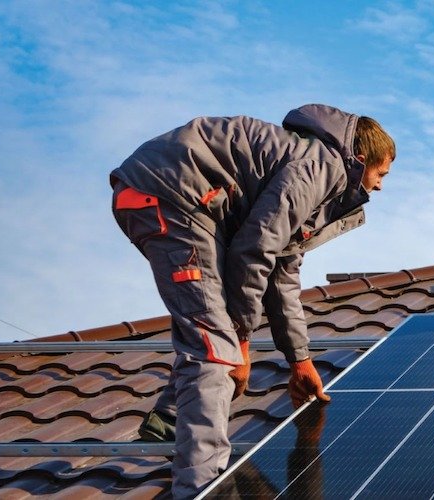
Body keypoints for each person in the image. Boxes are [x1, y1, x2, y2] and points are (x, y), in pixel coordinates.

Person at [109, 103, 395, 498]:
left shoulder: (311, 175)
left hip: (176, 198)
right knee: (217, 346)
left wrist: (300, 360)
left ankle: (171, 418)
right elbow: (255, 249)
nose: (380, 186)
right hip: (175, 195)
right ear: (360, 160)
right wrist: (242, 342)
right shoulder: (320, 167)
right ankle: (203, 487)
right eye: (381, 174)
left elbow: (281, 273)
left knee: (208, 319)